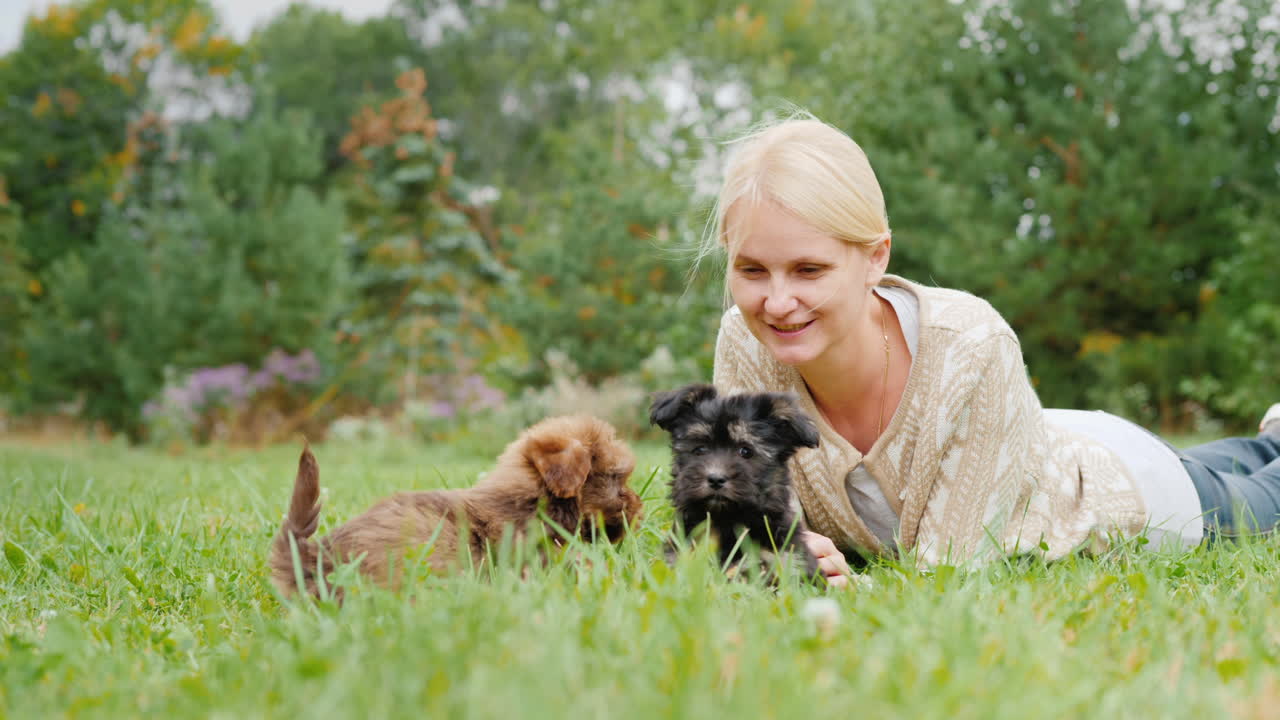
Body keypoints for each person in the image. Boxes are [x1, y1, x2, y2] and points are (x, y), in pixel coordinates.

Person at [703, 112, 1280, 588]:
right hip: (1047, 435)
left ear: (876, 257)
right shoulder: (746, 342)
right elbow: (760, 529)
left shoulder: (970, 346)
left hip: (1119, 495)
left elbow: (948, 576)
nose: (777, 302)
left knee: (1261, 495)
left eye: (809, 270)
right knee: (1251, 449)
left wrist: (851, 586)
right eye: (752, 270)